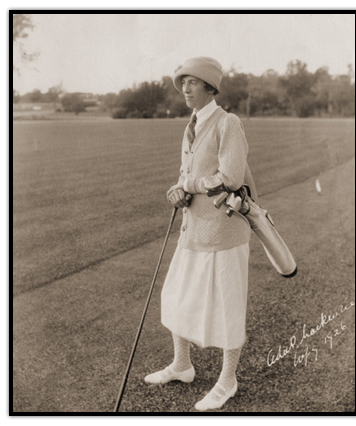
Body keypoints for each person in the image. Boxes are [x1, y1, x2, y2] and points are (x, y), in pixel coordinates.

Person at [144, 56, 259, 411]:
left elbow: (231, 177)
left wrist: (189, 185)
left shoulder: (228, 123)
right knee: (176, 296)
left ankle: (228, 381)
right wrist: (177, 191)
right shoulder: (190, 125)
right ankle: (182, 365)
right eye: (182, 83)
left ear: (210, 86)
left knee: (228, 305)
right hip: (193, 228)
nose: (185, 88)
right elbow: (186, 175)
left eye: (192, 82)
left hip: (226, 232)